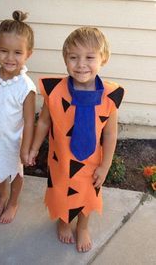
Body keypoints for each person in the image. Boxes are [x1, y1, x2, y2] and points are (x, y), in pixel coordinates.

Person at [28, 27, 124, 252]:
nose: (81, 64)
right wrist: (33, 148)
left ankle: (82, 227)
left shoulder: (110, 97)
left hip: (92, 161)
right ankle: (64, 222)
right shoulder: (55, 92)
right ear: (65, 60)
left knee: (88, 194)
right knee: (62, 192)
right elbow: (43, 122)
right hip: (60, 158)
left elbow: (110, 133)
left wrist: (106, 164)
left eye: (90, 57)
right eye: (74, 57)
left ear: (104, 59)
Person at [0, 10, 36, 224]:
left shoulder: (26, 86)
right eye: (4, 51)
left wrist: (25, 148)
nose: (10, 58)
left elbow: (30, 120)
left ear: (28, 53)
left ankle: (13, 201)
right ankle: (2, 195)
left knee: (15, 172)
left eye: (17, 53)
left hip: (14, 140)